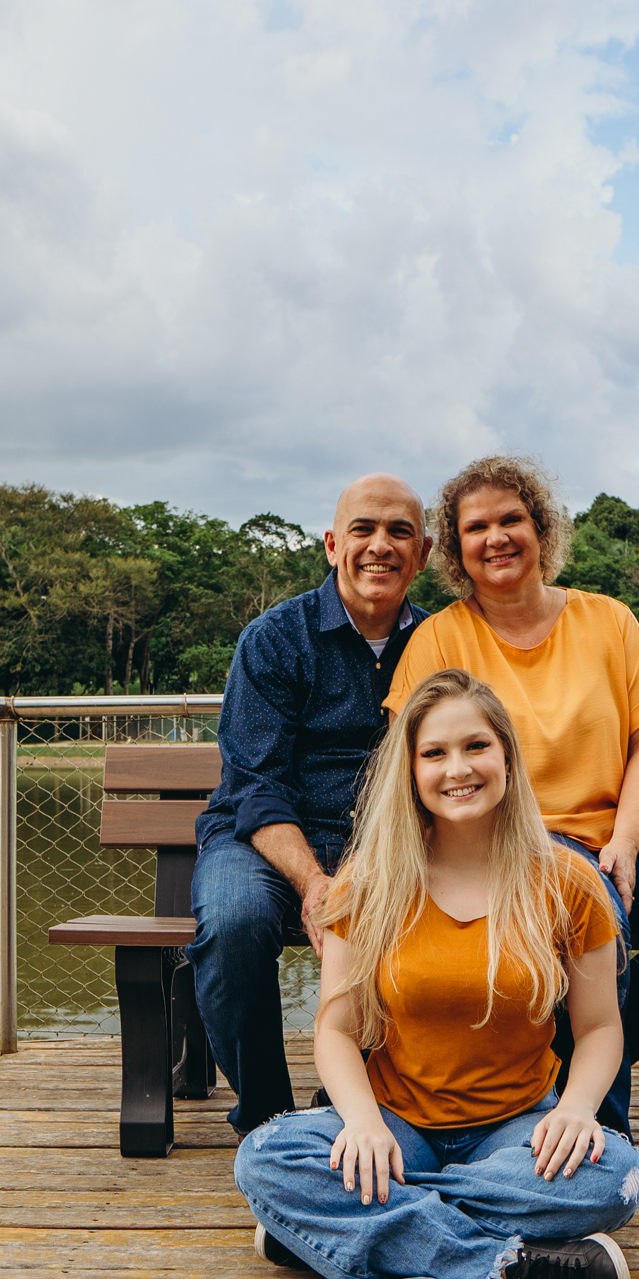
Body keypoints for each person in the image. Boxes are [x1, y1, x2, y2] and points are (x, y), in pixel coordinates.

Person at [234, 668, 639, 1279]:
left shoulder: (569, 882)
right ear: (411, 770)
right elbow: (336, 1032)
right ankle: (514, 1265)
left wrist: (574, 1111)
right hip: (397, 1125)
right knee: (264, 1156)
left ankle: (339, 1232)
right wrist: (363, 1124)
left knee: (618, 1176)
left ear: (507, 756)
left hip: (516, 1130)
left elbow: (598, 1028)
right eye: (434, 753)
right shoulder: (365, 885)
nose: (458, 768)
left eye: (476, 746)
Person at [385, 454, 639, 1137]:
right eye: (476, 527)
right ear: (457, 548)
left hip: (612, 828)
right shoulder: (438, 637)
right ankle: (598, 1135)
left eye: (510, 519)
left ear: (541, 527)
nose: (496, 537)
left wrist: (627, 842)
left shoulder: (608, 621)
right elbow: (411, 761)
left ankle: (559, 1071)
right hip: (506, 839)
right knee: (603, 930)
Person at [187, 473, 433, 1138]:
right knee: (234, 921)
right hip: (264, 839)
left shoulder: (443, 645)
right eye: (363, 529)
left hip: (388, 844)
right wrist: (314, 881)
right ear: (332, 544)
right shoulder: (274, 639)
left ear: (425, 554)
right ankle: (268, 1119)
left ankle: (354, 1100)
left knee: (432, 918)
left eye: (399, 532)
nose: (379, 546)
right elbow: (255, 784)